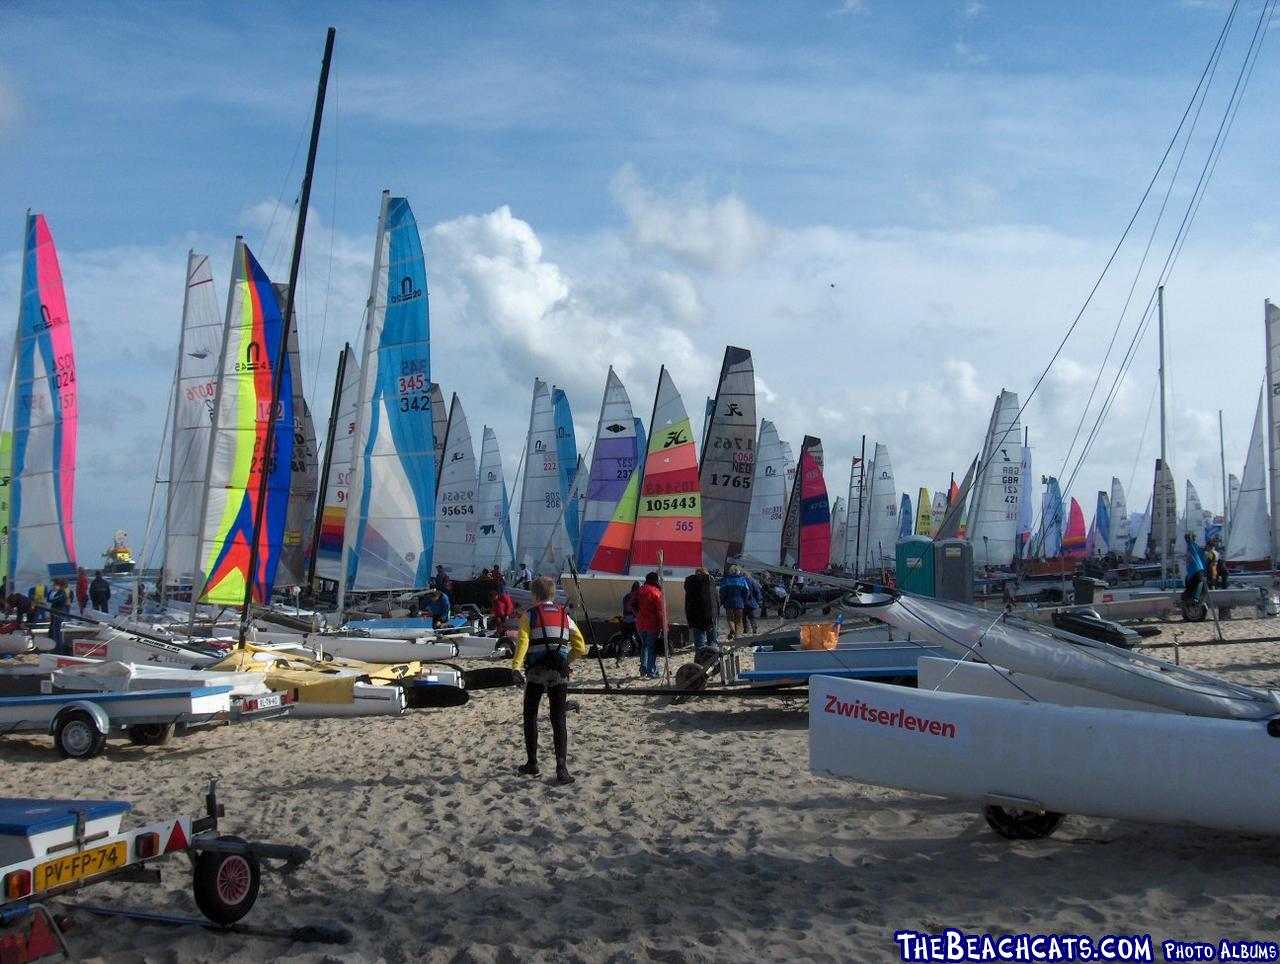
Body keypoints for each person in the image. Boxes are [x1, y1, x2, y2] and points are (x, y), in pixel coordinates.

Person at [512, 576, 587, 784]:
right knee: (558, 718)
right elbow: (581, 647)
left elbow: (523, 643)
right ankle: (562, 769)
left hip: (536, 671)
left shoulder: (529, 615)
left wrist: (516, 667)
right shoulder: (565, 616)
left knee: (530, 715)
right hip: (559, 673)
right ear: (553, 595)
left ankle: (532, 763)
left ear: (534, 595)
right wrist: (566, 661)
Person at [634, 572, 666, 678]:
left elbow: (631, 604)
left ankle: (643, 669)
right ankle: (652, 671)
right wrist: (664, 627)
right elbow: (661, 612)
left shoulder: (640, 590)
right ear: (656, 580)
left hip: (640, 623)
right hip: (652, 624)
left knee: (644, 646)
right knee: (651, 647)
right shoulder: (656, 592)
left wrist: (638, 614)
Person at [683, 567, 719, 655]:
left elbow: (688, 602)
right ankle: (713, 661)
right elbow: (717, 599)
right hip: (710, 615)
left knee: (699, 644)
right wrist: (717, 613)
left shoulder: (689, 583)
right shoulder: (710, 582)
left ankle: (700, 662)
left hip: (695, 617)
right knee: (713, 641)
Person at [718, 565, 751, 640]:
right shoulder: (743, 580)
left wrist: (722, 601)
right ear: (739, 572)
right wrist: (745, 600)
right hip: (740, 602)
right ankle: (737, 636)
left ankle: (732, 630)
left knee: (730, 618)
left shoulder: (726, 580)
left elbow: (722, 592)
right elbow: (747, 592)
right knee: (738, 620)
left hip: (728, 602)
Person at [618, 581, 641, 664]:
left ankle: (620, 657)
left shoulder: (626, 597)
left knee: (625, 639)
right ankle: (642, 658)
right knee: (639, 640)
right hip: (634, 621)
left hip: (625, 621)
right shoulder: (638, 596)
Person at [1183, 532, 1208, 608]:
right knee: (1201, 587)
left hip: (1195, 573)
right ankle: (1196, 601)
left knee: (1200, 587)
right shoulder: (1192, 547)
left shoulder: (1194, 547)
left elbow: (1202, 549)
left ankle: (1196, 600)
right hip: (1196, 573)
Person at [48, 578, 69, 654]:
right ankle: (53, 648)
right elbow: (48, 599)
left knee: (56, 633)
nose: (53, 586)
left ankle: (58, 650)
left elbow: (52, 600)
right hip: (53, 615)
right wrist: (52, 592)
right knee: (52, 632)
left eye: (54, 585)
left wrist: (53, 592)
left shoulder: (62, 593)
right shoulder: (55, 592)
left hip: (58, 616)